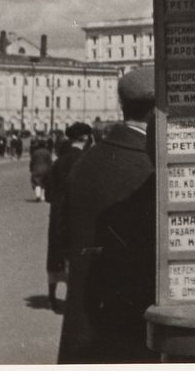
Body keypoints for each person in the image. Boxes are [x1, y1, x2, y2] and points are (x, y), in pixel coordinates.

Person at [58, 67, 157, 363]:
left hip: (86, 324)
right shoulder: (148, 165)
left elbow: (65, 236)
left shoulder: (86, 160)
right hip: (129, 330)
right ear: (156, 112)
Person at [46, 122, 93, 312]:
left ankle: (51, 297)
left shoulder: (59, 161)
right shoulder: (87, 160)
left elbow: (48, 193)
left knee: (56, 254)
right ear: (85, 138)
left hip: (58, 214)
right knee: (77, 254)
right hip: (79, 214)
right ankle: (75, 298)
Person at [29, 138, 54, 202]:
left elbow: (32, 161)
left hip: (36, 168)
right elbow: (50, 162)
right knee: (44, 183)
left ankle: (38, 196)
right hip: (46, 169)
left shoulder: (35, 152)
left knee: (36, 183)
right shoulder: (47, 152)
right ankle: (43, 196)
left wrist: (31, 168)